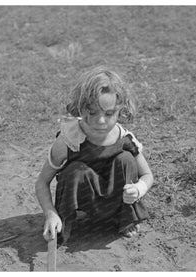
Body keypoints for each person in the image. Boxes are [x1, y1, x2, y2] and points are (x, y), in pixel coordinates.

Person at [35, 66, 153, 243]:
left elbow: (147, 175)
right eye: (92, 112)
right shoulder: (69, 140)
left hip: (116, 200)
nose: (100, 121)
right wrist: (50, 215)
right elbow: (42, 182)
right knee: (75, 170)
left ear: (121, 110)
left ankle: (125, 218)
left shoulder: (124, 139)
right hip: (83, 201)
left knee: (125, 159)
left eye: (109, 113)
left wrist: (137, 189)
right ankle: (62, 224)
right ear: (80, 108)